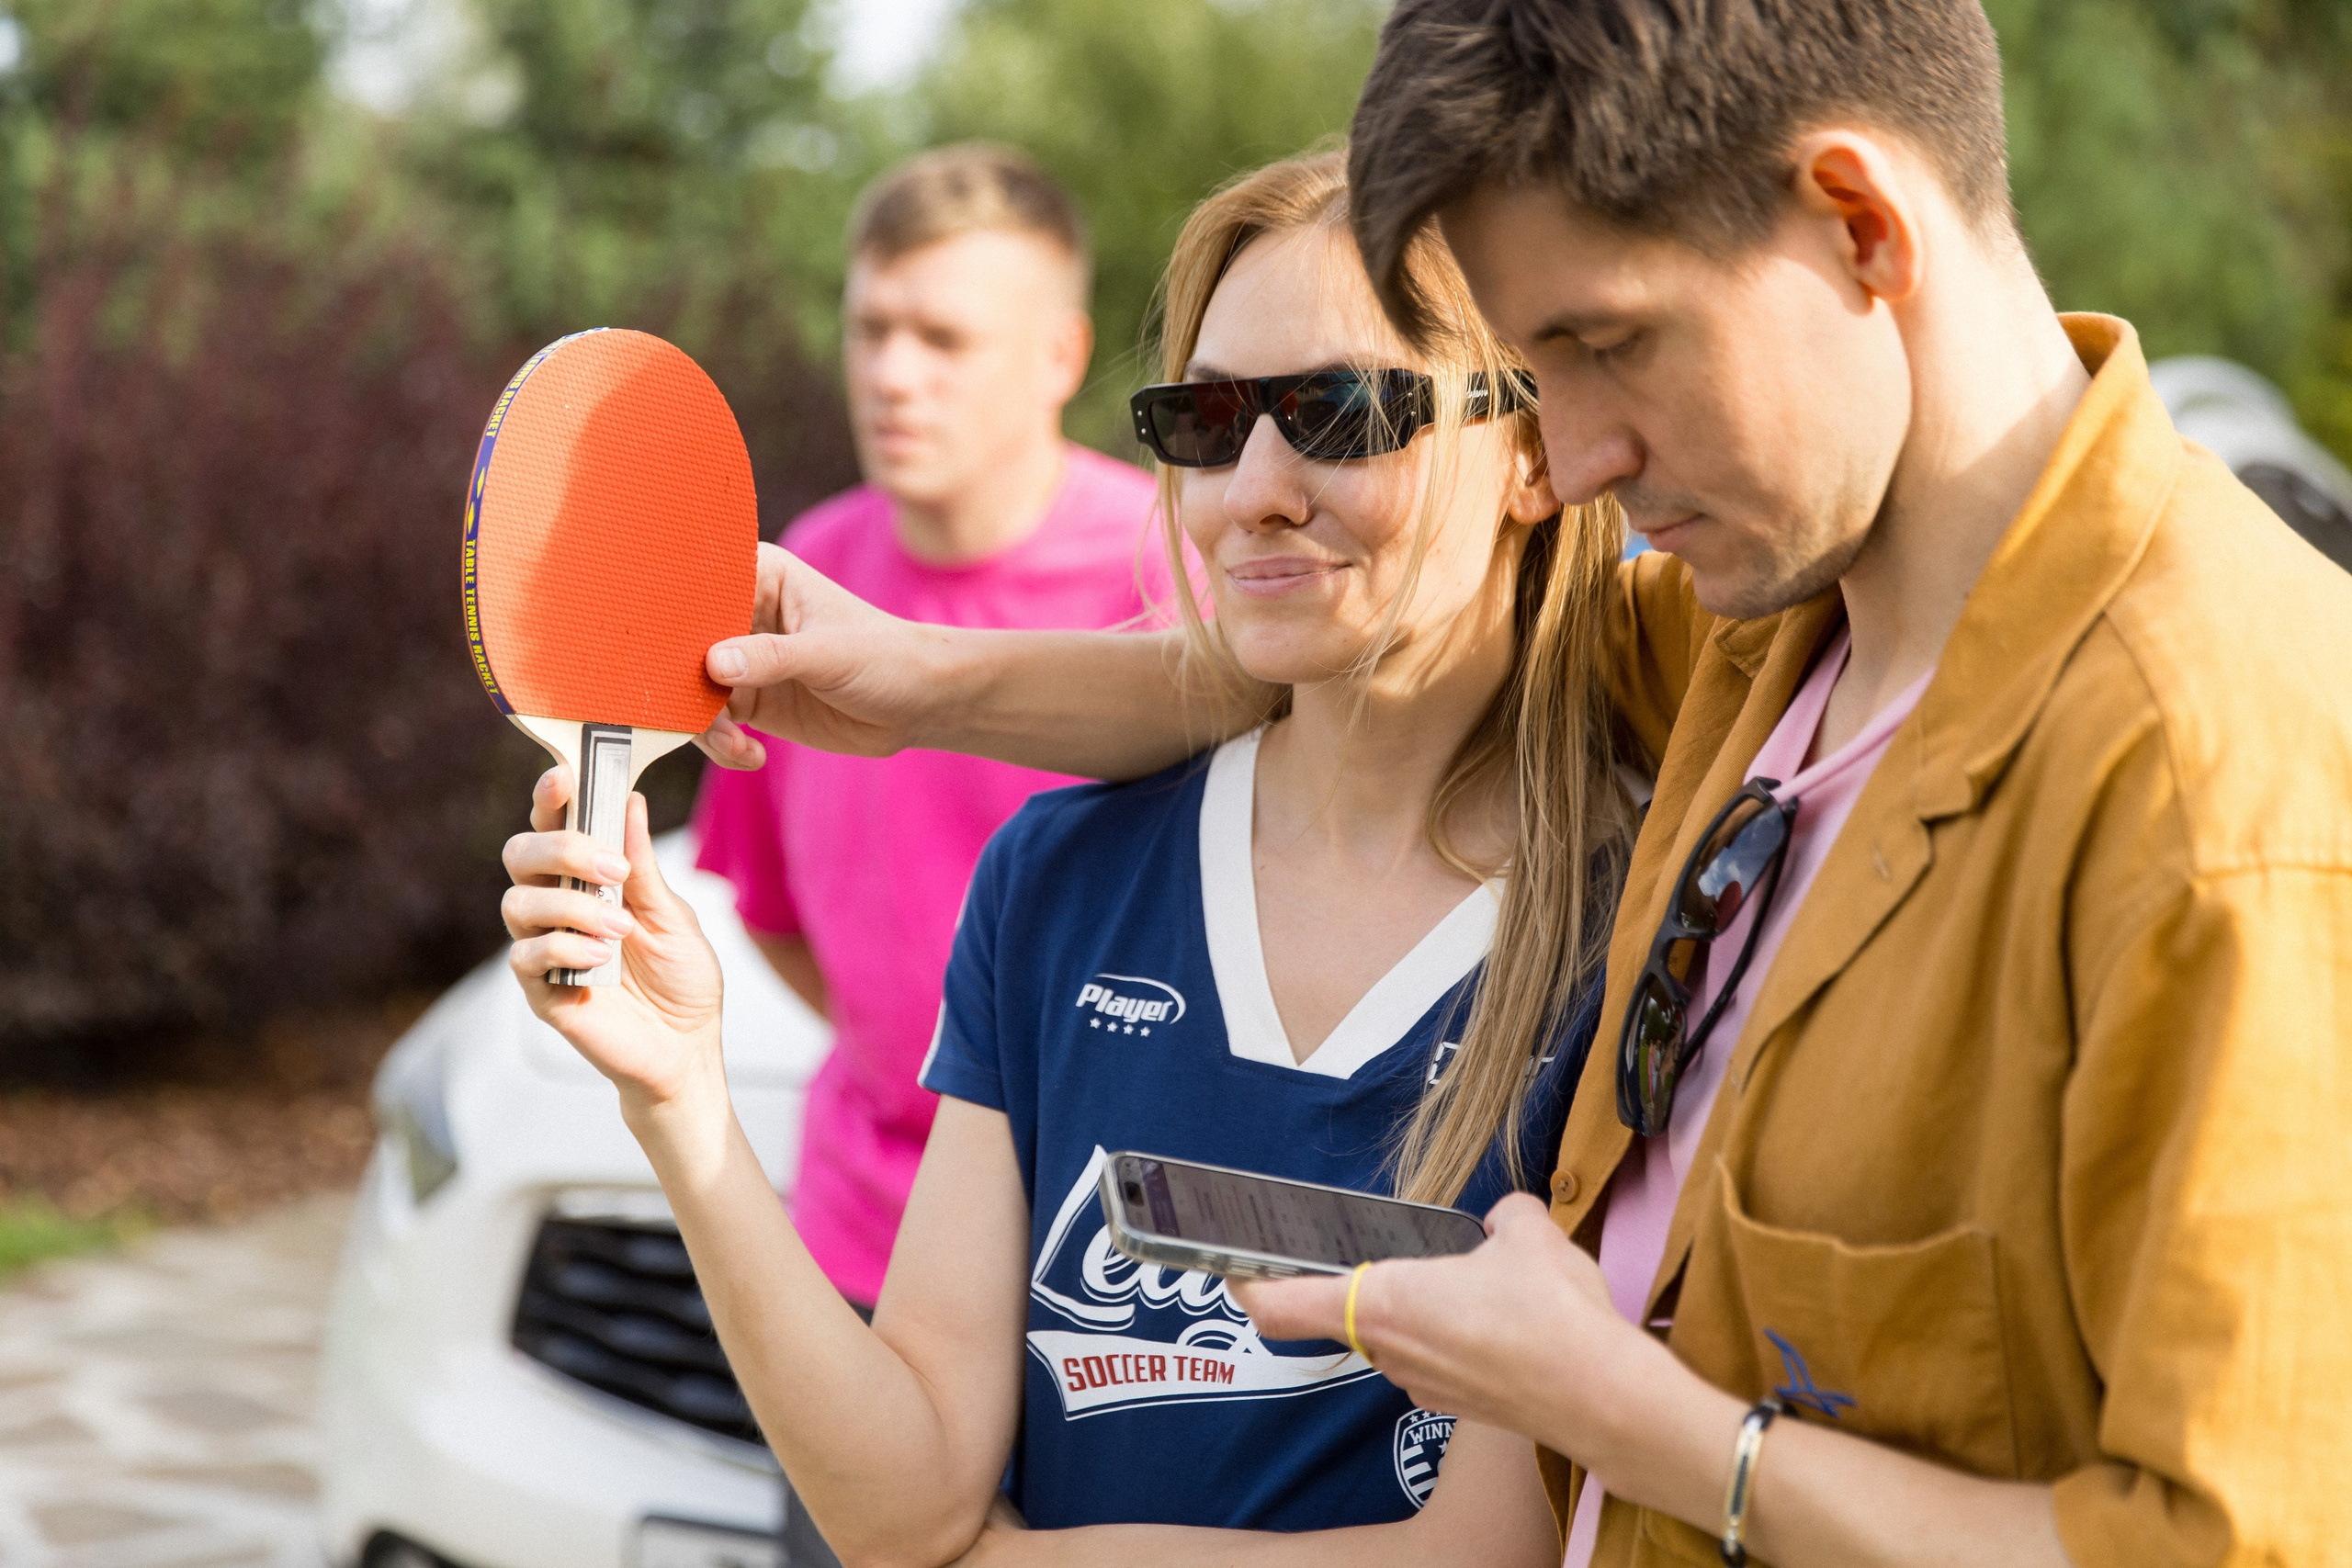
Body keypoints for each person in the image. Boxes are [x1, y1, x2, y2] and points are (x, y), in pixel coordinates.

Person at [691, 3, 2352, 1565]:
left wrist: (1639, 1425)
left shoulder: (2225, 786)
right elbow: (1364, 651)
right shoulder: (1760, 623)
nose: (1575, 457)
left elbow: (2240, 1541)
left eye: (1608, 342)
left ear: (1860, 224)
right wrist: (928, 682)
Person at [505, 151, 1634, 1567]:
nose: (1255, 491)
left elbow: (1479, 1556)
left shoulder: (1638, 929)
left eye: (1345, 412)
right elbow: (904, 1501)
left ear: (1532, 450)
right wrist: (680, 1102)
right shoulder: (1059, 876)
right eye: (1208, 421)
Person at [693, 142, 1160, 1328]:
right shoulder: (806, 568)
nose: (894, 374)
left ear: (1061, 354)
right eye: (872, 328)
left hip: (1110, 1265)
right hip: (856, 1243)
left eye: (944, 340)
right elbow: (774, 911)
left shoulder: (1177, 572)